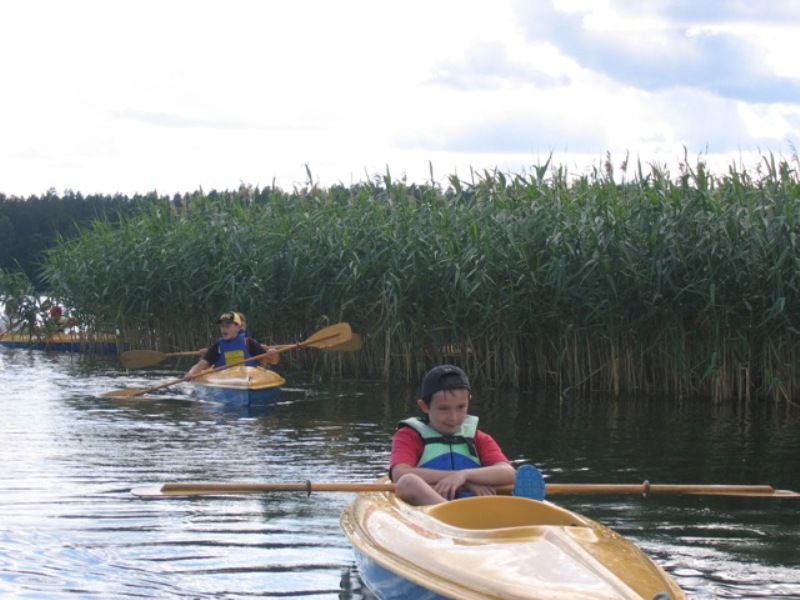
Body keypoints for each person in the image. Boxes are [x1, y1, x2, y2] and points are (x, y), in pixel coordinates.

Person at [390, 364, 534, 506]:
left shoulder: (478, 438)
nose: (453, 418)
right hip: (430, 507)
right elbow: (400, 474)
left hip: (473, 506)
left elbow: (509, 473)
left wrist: (464, 475)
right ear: (424, 406)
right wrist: (464, 482)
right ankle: (449, 513)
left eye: (461, 407)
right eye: (443, 409)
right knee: (407, 482)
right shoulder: (409, 435)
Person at [184, 311, 279, 379]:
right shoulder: (217, 346)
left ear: (238, 327)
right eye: (222, 326)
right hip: (225, 379)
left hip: (248, 377)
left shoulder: (248, 342)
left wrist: (273, 355)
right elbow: (202, 364)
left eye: (228, 326)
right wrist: (190, 373)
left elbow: (273, 361)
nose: (224, 329)